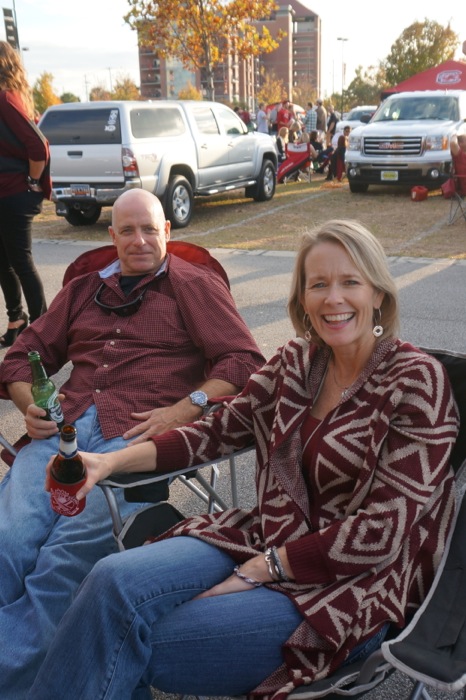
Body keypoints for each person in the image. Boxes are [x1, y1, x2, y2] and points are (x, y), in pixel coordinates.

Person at [29, 220, 458, 700]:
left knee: (134, 637)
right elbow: (219, 429)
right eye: (318, 284)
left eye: (350, 282)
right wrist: (108, 463)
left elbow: (383, 531)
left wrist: (265, 568)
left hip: (354, 585)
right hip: (264, 533)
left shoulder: (416, 381)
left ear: (378, 293)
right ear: (302, 298)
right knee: (109, 581)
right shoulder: (297, 362)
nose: (333, 299)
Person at [0, 188, 265, 699]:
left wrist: (185, 406)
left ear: (168, 231)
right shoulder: (81, 290)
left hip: (134, 443)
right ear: (112, 236)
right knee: (9, 540)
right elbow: (23, 354)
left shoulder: (194, 285)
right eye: (128, 230)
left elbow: (243, 362)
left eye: (150, 229)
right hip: (66, 431)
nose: (139, 241)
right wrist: (25, 402)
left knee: (63, 562)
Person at [0, 41, 50, 346]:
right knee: (3, 262)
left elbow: (38, 146)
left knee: (21, 261)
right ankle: (17, 319)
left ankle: (46, 331)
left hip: (16, 193)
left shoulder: (5, 98)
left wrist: (33, 181)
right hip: (5, 193)